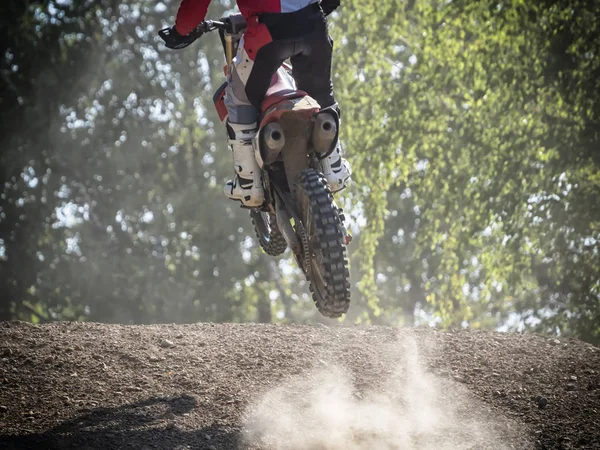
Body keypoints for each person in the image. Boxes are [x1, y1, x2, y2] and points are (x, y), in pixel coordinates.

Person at [169, 0, 351, 207]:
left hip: (268, 32)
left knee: (238, 100)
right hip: (313, 24)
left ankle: (248, 184)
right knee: (321, 94)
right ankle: (334, 168)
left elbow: (194, 9)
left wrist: (181, 31)